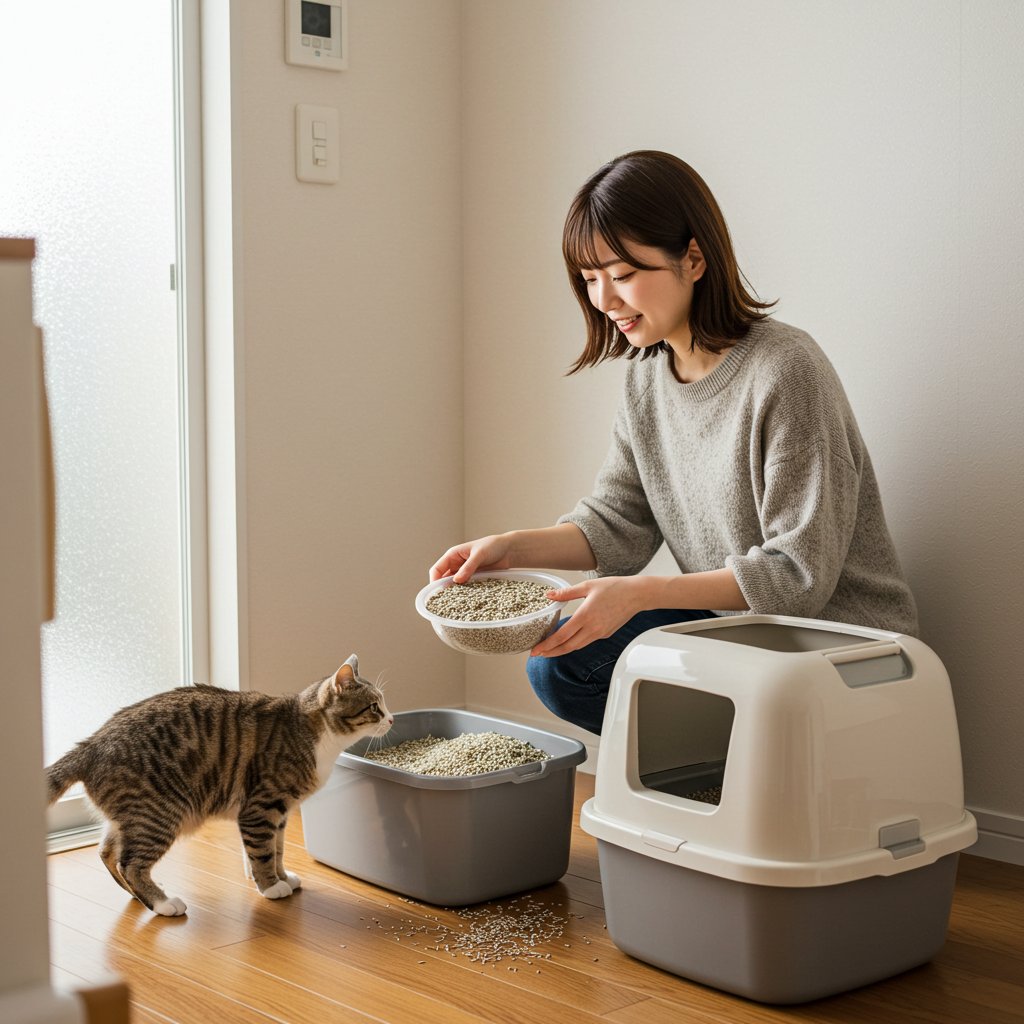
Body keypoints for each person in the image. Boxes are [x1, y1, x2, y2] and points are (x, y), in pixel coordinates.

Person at [429, 150, 918, 736]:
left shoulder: (787, 370)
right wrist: (511, 550)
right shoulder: (645, 378)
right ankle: (717, 788)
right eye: (589, 280)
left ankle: (734, 786)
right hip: (743, 634)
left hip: (835, 645)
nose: (603, 301)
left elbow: (796, 578)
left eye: (623, 275)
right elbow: (619, 523)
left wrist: (641, 595)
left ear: (692, 258)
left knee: (597, 641)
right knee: (565, 663)